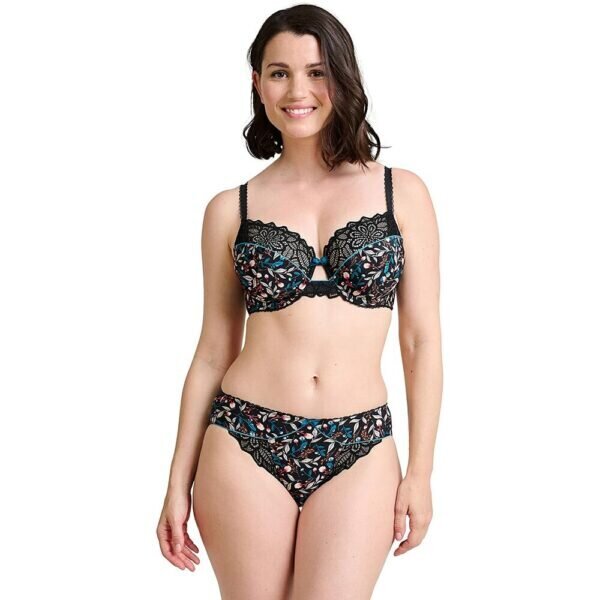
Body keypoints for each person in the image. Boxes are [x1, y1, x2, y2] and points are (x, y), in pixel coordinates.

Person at [156, 5, 442, 599]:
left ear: (342, 77)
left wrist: (421, 471)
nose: (297, 91)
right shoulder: (229, 209)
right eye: (279, 73)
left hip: (360, 444)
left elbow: (420, 341)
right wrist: (176, 482)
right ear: (257, 83)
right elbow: (212, 351)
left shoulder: (403, 193)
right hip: (244, 438)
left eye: (316, 72)